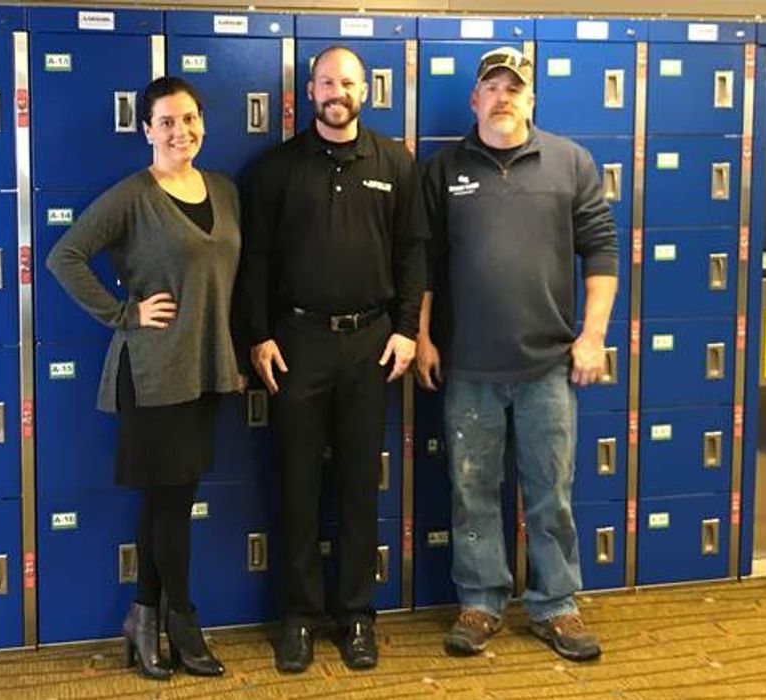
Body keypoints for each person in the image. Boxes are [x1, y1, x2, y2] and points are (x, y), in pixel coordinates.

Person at [416, 46, 618, 662]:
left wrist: (593, 336)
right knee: (471, 489)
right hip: (468, 366)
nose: (503, 97)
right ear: (475, 99)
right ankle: (480, 601)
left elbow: (602, 251)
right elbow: (422, 259)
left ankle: (556, 604)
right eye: (492, 88)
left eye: (515, 88)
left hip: (548, 364)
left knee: (550, 491)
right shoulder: (444, 168)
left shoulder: (570, 162)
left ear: (531, 99)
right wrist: (423, 336)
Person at [238, 45, 429, 673]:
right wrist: (258, 334)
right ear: (309, 91)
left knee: (356, 484)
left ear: (367, 90)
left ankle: (355, 615)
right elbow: (255, 261)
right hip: (298, 344)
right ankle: (296, 616)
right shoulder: (276, 169)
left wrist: (406, 330)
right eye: (325, 81)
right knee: (296, 481)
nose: (336, 91)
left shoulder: (396, 164)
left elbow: (412, 256)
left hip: (371, 344)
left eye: (347, 81)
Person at [46, 76, 240, 681]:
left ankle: (144, 616)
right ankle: (180, 618)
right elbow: (64, 257)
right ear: (146, 131)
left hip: (206, 365)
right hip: (154, 371)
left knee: (172, 500)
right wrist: (124, 313)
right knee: (169, 502)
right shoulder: (133, 195)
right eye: (166, 122)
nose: (180, 131)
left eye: (189, 119)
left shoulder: (226, 192)